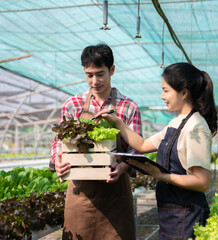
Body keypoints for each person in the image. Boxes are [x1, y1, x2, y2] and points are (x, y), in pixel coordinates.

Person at [96, 62, 218, 240]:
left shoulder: (195, 127)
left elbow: (202, 181)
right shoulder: (177, 123)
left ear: (184, 92)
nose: (162, 96)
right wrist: (117, 122)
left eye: (166, 90)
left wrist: (161, 176)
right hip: (173, 213)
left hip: (187, 216)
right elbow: (143, 145)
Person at [49, 43, 142, 240]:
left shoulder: (128, 107)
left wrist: (124, 166)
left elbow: (137, 148)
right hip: (80, 194)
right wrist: (58, 160)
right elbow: (59, 142)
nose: (94, 81)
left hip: (116, 194)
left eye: (100, 74)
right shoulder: (72, 105)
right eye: (89, 75)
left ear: (112, 70)